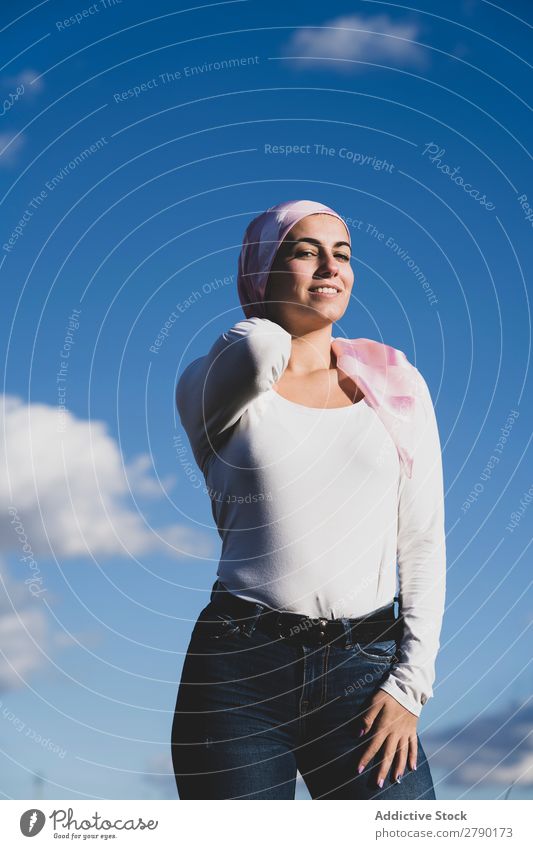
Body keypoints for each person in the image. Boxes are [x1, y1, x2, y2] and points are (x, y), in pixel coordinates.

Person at [171, 199, 446, 799]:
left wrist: (410, 685)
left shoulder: (395, 385)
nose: (330, 267)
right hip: (238, 671)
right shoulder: (214, 383)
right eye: (304, 251)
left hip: (365, 669)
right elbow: (258, 348)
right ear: (262, 267)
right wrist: (276, 317)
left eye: (342, 255)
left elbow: (421, 541)